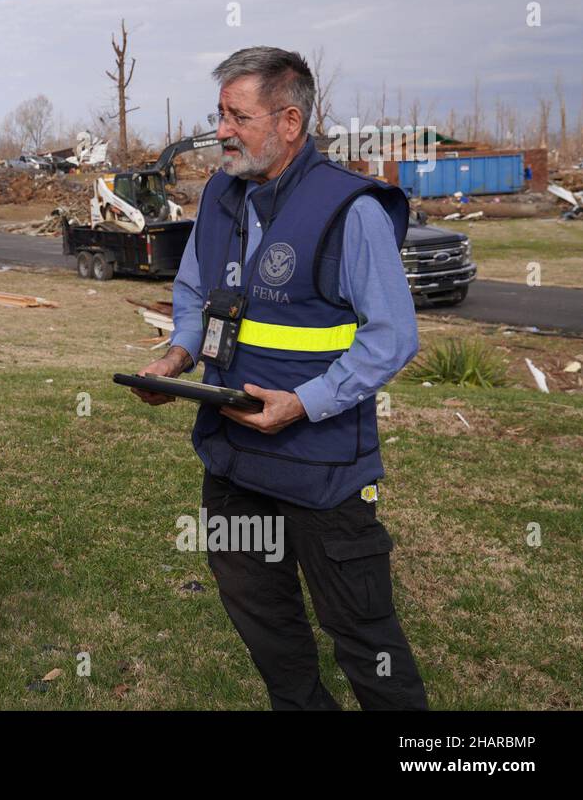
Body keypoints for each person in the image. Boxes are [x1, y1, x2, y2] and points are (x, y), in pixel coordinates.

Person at [131, 46, 428, 711]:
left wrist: (305, 402)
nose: (222, 132)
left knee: (363, 635)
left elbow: (393, 337)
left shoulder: (351, 210)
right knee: (265, 627)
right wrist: (175, 362)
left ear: (289, 121)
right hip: (234, 463)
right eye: (220, 115)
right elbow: (192, 295)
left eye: (237, 116)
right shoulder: (218, 196)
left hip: (323, 473)